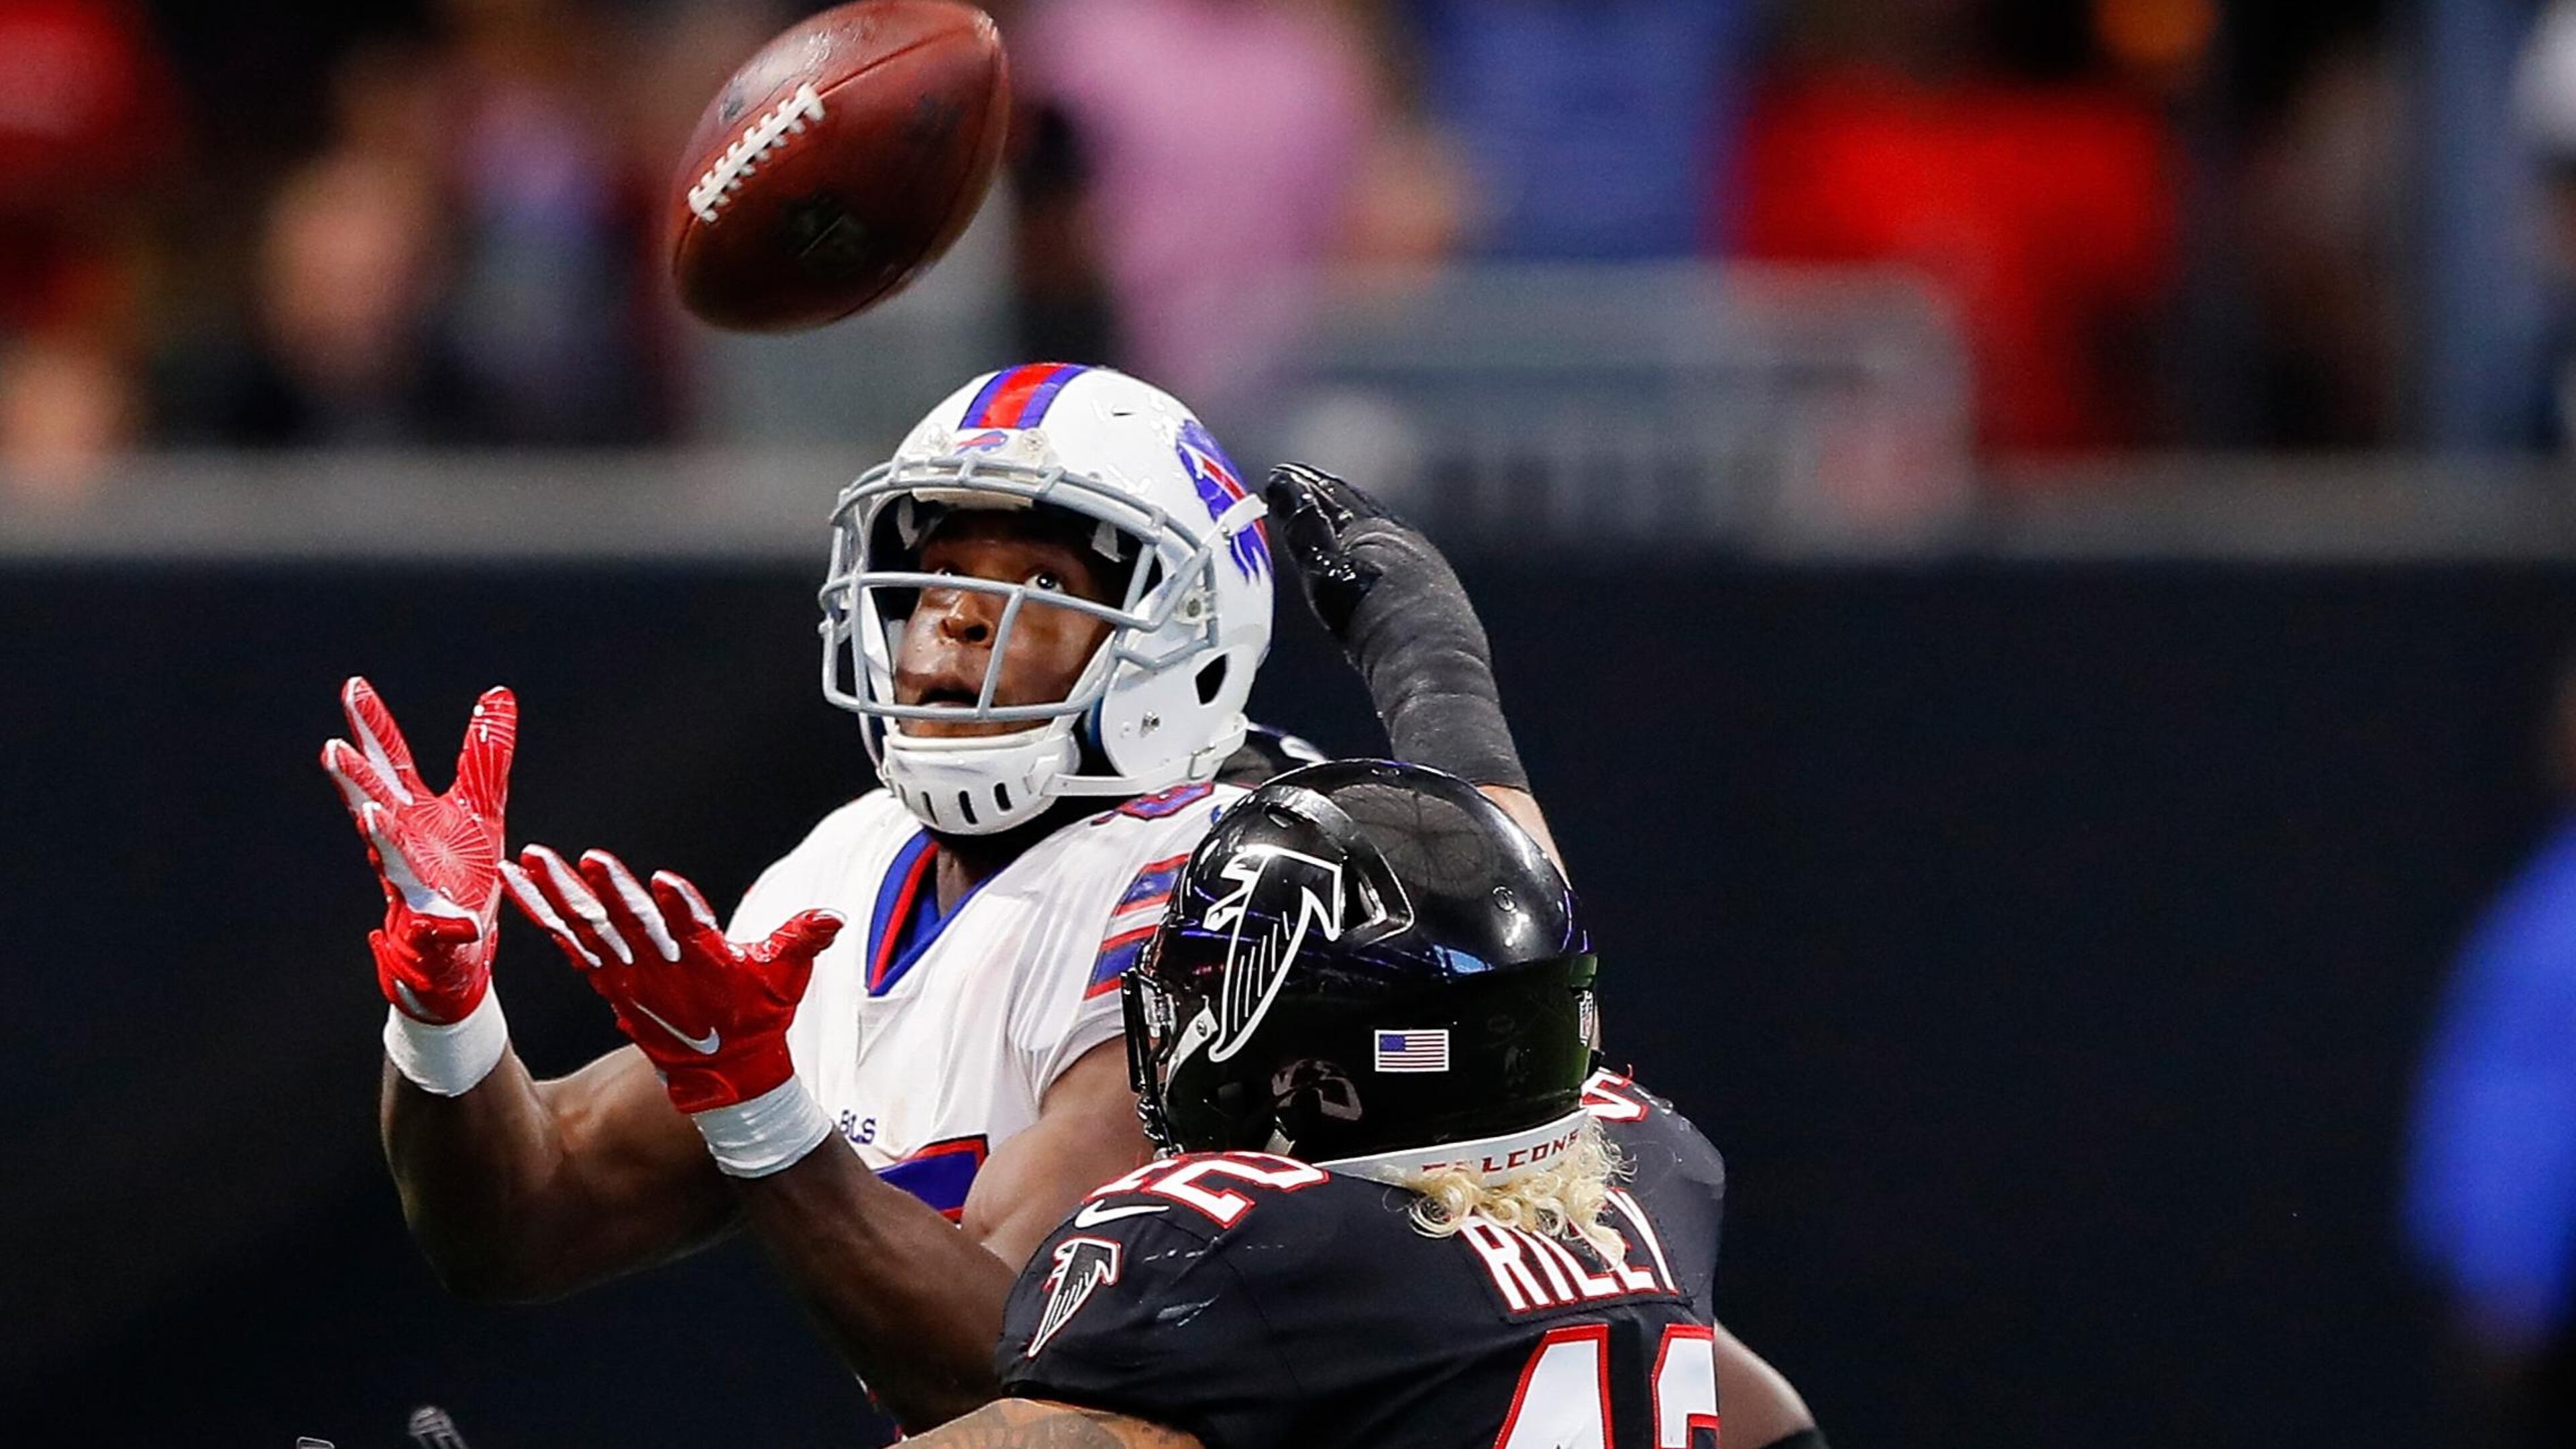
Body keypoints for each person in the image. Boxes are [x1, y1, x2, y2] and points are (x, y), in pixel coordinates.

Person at [320, 362, 1272, 1430]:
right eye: (943, 567)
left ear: (1186, 638)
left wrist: (755, 1102)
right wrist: (443, 1011)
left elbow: (1035, 1371)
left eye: (1042, 585)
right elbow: (524, 1224)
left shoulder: (1219, 887)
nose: (957, 616)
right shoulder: (857, 861)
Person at [897, 757, 1803, 1449]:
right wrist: (1433, 666)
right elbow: (1492, 1002)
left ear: (1307, 1066)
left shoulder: (1234, 1250)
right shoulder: (1653, 1172)